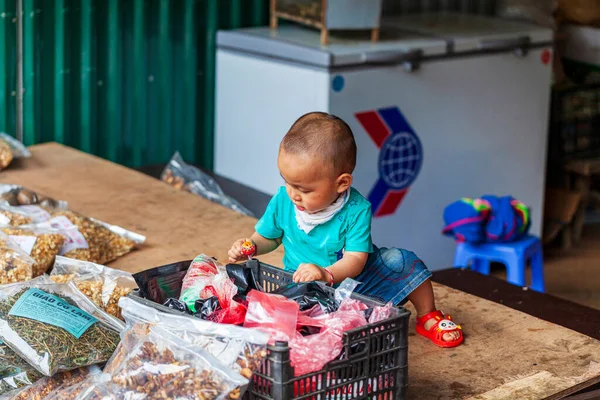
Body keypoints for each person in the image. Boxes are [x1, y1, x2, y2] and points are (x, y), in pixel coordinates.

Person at [228, 112, 463, 347]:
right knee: (292, 319)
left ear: (341, 183)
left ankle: (427, 315)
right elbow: (269, 237)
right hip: (302, 286)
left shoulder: (356, 209)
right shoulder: (283, 200)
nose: (293, 193)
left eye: (304, 189)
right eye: (287, 182)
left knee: (402, 260)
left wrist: (325, 273)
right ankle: (351, 322)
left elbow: (356, 259)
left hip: (353, 282)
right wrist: (252, 245)